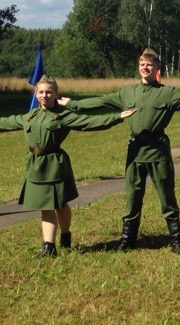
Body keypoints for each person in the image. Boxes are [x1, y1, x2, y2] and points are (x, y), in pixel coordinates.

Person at [63, 49, 180, 254]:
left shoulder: (168, 93)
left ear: (157, 68)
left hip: (158, 150)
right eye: (142, 64)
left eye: (149, 64)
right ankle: (128, 240)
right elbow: (101, 101)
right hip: (135, 150)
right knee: (133, 194)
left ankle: (176, 240)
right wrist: (73, 104)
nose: (145, 67)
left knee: (166, 194)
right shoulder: (127, 92)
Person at [0, 75, 136, 257]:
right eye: (41, 92)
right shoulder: (30, 116)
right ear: (36, 93)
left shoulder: (63, 117)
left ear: (56, 94)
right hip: (35, 167)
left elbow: (89, 122)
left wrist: (117, 116)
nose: (44, 95)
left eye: (49, 92)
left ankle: (65, 235)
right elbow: (6, 122)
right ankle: (49, 247)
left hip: (55, 166)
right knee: (46, 207)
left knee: (61, 205)